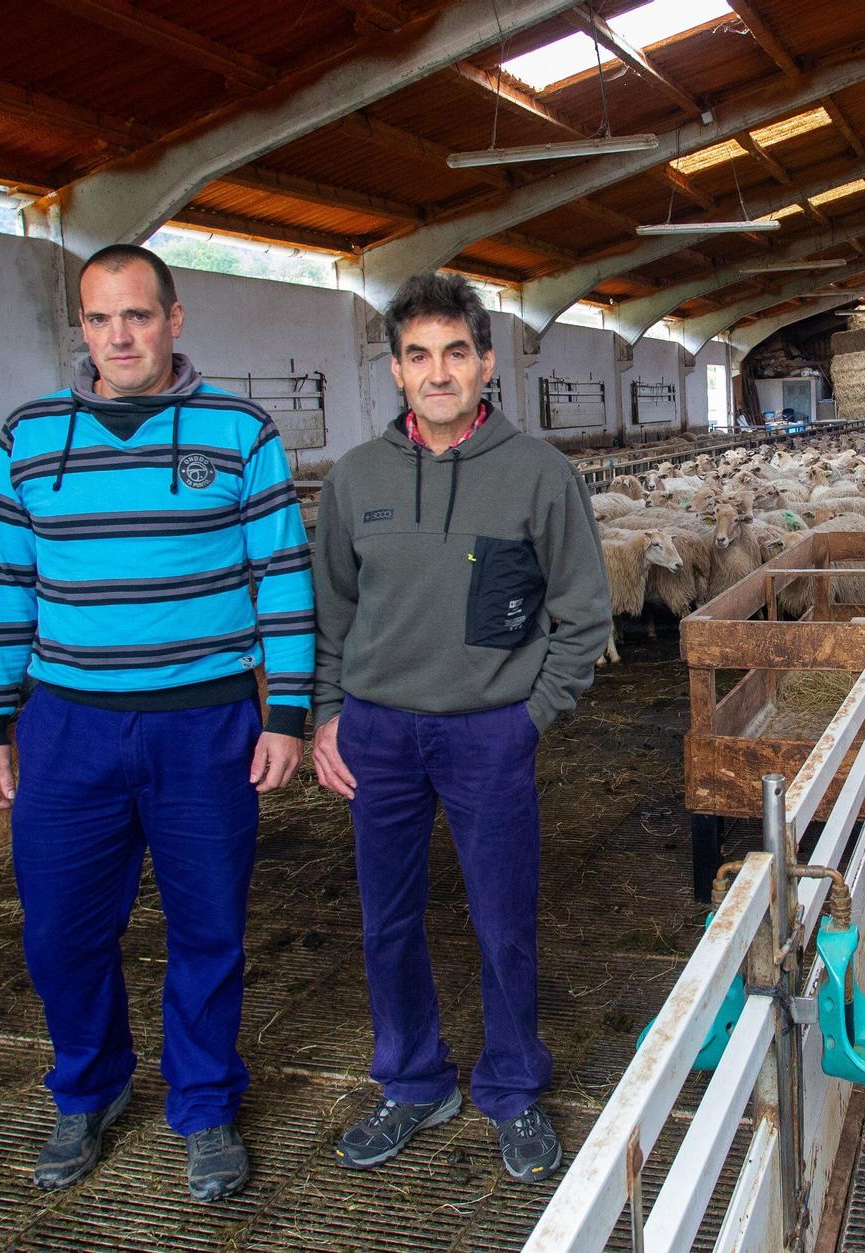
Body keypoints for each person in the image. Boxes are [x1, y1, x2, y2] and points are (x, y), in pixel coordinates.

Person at [0, 244, 314, 1201]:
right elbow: (2, 583)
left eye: (139, 315)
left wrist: (286, 712)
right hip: (68, 724)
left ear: (175, 317)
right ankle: (88, 1086)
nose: (121, 336)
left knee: (208, 926)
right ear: (81, 325)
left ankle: (203, 1103)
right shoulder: (30, 436)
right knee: (62, 931)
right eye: (101, 318)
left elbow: (281, 576)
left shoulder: (240, 430)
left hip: (202, 725)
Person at [310, 272, 610, 1183]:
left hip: (489, 733)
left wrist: (532, 716)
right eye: (416, 355)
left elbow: (584, 610)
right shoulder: (353, 478)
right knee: (387, 919)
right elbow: (330, 612)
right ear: (395, 373)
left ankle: (513, 1088)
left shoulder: (539, 473)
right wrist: (328, 714)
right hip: (379, 734)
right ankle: (412, 1081)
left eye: (454, 353)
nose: (436, 372)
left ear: (485, 363)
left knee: (503, 918)